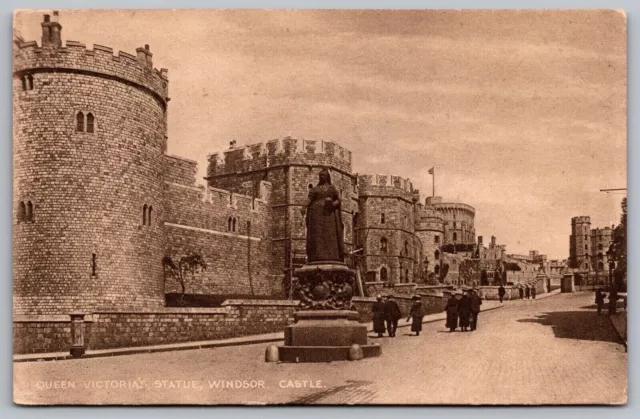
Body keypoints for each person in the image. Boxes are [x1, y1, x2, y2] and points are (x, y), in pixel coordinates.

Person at [300, 168, 344, 263]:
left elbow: (338, 200)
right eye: (320, 176)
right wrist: (303, 207)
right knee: (317, 236)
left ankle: (332, 255)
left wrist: (333, 204)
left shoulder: (332, 189)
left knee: (330, 235)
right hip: (316, 216)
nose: (321, 177)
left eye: (323, 175)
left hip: (329, 215)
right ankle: (316, 256)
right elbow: (309, 199)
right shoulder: (315, 189)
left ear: (327, 177)